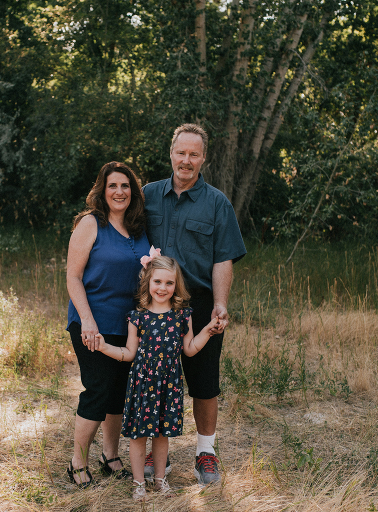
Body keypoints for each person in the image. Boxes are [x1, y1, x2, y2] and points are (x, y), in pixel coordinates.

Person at [142, 123, 246, 485]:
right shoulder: (148, 196)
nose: (186, 160)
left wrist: (220, 304)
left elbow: (223, 259)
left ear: (203, 158)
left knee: (204, 381)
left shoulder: (217, 203)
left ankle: (206, 452)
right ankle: (159, 455)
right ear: (171, 154)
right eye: (180, 152)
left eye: (194, 154)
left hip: (199, 305)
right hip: (155, 306)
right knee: (153, 379)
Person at [91, 253, 220, 501]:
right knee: (139, 436)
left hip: (169, 386)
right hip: (142, 385)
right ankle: (139, 483)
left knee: (162, 435)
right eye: (157, 282)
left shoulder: (182, 315)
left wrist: (207, 331)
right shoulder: (137, 317)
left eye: (169, 283)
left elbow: (190, 349)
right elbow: (129, 353)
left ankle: (160, 480)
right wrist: (103, 346)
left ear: (176, 285)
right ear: (148, 282)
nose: (163, 288)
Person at [65, 161, 150, 487]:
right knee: (98, 390)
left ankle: (110, 456)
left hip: (129, 324)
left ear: (133, 191)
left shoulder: (139, 228)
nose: (119, 192)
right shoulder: (90, 224)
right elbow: (73, 276)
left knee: (119, 395)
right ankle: (77, 462)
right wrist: (87, 320)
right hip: (92, 322)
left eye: (125, 186)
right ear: (102, 190)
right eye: (113, 186)